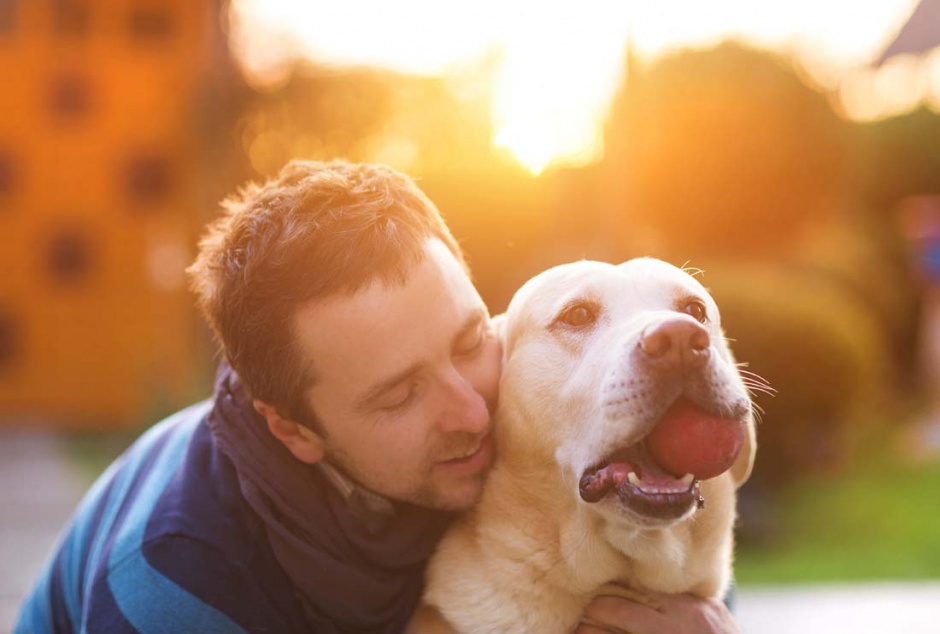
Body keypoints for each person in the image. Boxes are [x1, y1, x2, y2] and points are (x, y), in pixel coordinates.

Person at [14, 160, 742, 634]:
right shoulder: (174, 582)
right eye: (400, 396)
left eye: (467, 343)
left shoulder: (535, 468)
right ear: (295, 431)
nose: (469, 411)